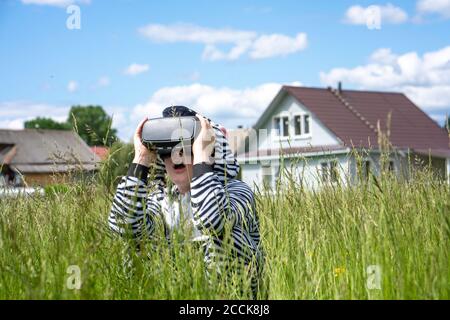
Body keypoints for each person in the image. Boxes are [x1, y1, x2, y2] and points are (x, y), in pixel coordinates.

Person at [108, 106, 263, 298]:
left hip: (229, 295)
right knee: (135, 244)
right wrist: (142, 158)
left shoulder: (237, 191)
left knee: (222, 240)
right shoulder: (161, 199)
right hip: (174, 291)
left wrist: (202, 155)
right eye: (166, 149)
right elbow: (123, 227)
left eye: (186, 145)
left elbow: (214, 223)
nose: (175, 155)